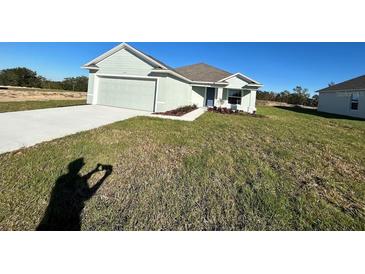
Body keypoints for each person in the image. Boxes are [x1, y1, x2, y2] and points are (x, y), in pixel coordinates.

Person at [36, 158, 112, 231]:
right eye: (82, 164)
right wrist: (105, 176)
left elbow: (82, 180)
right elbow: (89, 194)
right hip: (70, 221)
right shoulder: (70, 180)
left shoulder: (63, 179)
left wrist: (95, 170)